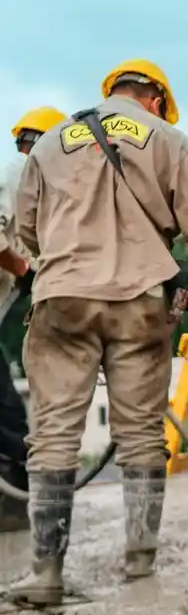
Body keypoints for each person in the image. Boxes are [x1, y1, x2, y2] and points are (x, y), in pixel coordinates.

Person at [7, 64, 188, 605]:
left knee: (53, 435)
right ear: (155, 99)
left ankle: (46, 573)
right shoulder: (168, 139)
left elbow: (24, 232)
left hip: (61, 300)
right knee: (140, 433)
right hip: (140, 300)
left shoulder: (49, 145)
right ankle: (139, 567)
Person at [0, 108, 64, 531]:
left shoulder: (29, 185)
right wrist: (26, 271)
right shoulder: (20, 171)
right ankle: (15, 513)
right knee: (9, 420)